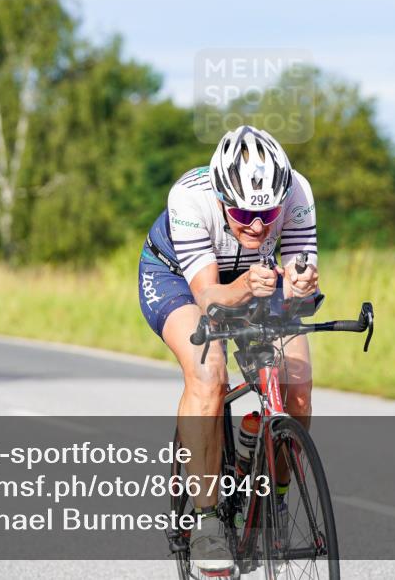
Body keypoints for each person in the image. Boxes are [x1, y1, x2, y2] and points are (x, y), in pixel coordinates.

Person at [137, 125, 320, 574]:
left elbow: (301, 277)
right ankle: (207, 520)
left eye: (268, 213)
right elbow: (208, 297)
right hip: (180, 279)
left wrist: (301, 285)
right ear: (221, 197)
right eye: (241, 214)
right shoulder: (189, 196)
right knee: (209, 371)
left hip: (257, 275)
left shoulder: (297, 191)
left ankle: (272, 498)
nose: (258, 225)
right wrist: (241, 288)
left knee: (296, 385)